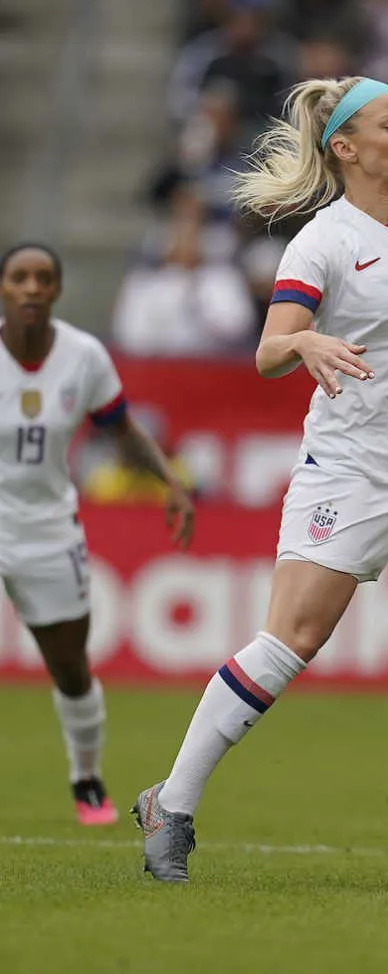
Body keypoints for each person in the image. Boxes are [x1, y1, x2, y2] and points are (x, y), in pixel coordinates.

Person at [130, 76, 388, 883]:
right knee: (293, 642)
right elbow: (265, 350)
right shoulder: (323, 240)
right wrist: (307, 345)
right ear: (347, 150)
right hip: (348, 474)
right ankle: (171, 803)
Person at [0, 243, 194, 825]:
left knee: (70, 667)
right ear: (4, 289)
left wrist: (169, 482)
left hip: (47, 530)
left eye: (44, 278)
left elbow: (120, 428)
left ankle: (86, 778)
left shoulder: (83, 356)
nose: (32, 287)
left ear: (56, 290)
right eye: (19, 278)